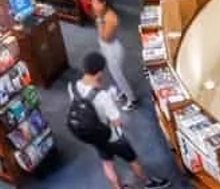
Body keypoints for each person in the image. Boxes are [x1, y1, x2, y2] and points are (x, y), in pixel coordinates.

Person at [70, 52, 171, 189]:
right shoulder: (103, 96)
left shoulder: (73, 86)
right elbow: (117, 122)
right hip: (113, 137)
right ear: (99, 72)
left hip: (94, 136)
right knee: (133, 159)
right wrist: (112, 101)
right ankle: (149, 183)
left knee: (107, 163)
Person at [90, 0, 136, 109]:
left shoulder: (110, 18)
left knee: (118, 76)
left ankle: (131, 99)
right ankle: (123, 93)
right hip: (107, 49)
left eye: (95, 2)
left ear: (103, 3)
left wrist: (99, 20)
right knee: (114, 75)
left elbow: (106, 38)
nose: (93, 4)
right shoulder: (102, 13)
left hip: (113, 51)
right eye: (92, 1)